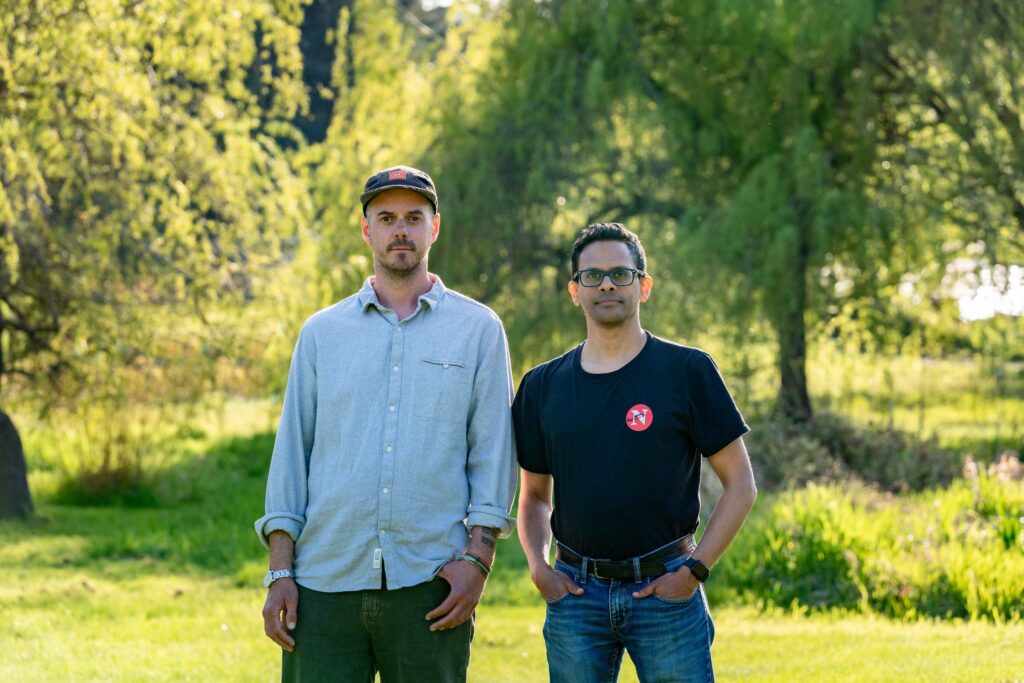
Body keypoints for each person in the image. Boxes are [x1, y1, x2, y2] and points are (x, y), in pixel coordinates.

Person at [255, 165, 517, 683]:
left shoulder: (479, 330)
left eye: (414, 217)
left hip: (429, 583)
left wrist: (477, 563)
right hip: (323, 584)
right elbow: (291, 457)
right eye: (387, 217)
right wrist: (281, 572)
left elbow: (494, 454)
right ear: (366, 228)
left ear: (434, 228)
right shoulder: (321, 334)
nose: (401, 229)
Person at [514, 223, 757, 683]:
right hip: (575, 594)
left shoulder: (687, 371)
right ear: (574, 291)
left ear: (643, 286)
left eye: (620, 274)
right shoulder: (542, 386)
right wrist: (538, 567)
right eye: (592, 276)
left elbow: (741, 484)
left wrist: (694, 570)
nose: (606, 284)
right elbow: (534, 496)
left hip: (667, 591)